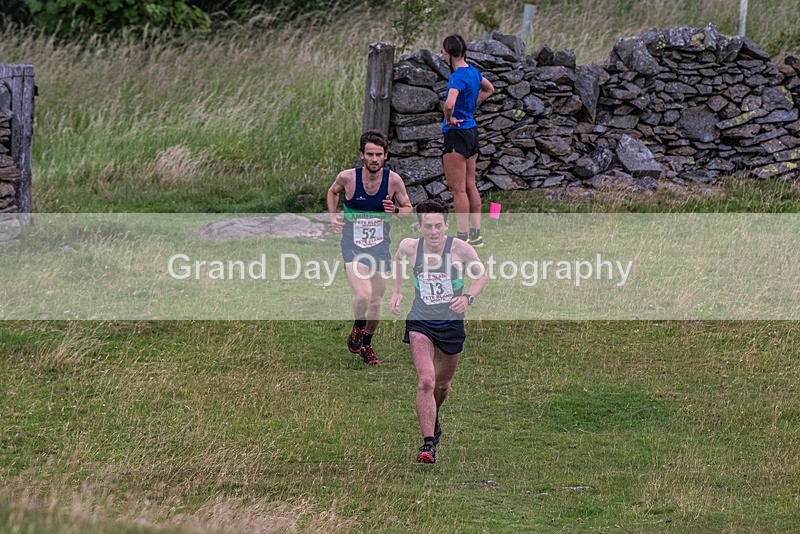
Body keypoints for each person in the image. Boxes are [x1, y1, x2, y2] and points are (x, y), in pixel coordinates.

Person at [390, 199, 488, 463]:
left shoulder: (460, 249)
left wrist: (467, 297)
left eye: (438, 226)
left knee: (442, 385)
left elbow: (482, 275)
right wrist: (397, 291)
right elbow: (398, 261)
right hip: (420, 321)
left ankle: (434, 417)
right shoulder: (410, 247)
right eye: (427, 226)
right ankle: (428, 443)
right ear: (419, 227)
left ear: (446, 225)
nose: (433, 232)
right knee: (426, 381)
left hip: (450, 323)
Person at [328, 130, 413, 365]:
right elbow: (333, 191)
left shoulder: (393, 181)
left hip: (379, 248)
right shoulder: (348, 178)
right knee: (363, 295)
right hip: (353, 247)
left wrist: (395, 211)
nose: (374, 159)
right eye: (369, 154)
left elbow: (408, 209)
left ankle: (367, 343)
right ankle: (358, 326)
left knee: (376, 302)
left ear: (385, 156)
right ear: (361, 155)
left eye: (378, 154)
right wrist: (333, 216)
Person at [440, 34, 495, 248]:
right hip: (472, 132)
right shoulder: (473, 72)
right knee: (471, 185)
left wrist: (449, 118)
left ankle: (461, 238)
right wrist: (472, 105)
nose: (443, 55)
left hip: (456, 134)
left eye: (443, 52)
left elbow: (448, 104)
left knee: (458, 190)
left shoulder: (457, 77)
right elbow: (489, 88)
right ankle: (476, 235)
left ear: (450, 53)